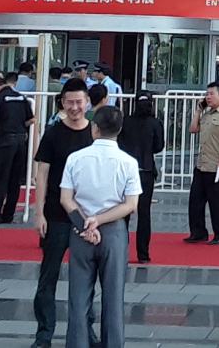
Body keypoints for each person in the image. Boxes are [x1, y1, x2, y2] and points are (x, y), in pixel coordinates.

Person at [60, 106, 142, 348]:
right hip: (114, 231)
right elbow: (131, 205)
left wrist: (86, 224)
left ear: (94, 128)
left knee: (78, 299)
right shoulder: (128, 162)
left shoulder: (75, 158)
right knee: (114, 298)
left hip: (80, 229)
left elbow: (66, 199)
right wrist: (100, 220)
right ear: (119, 129)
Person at [32, 79, 97, 348]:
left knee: (86, 278)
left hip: (87, 217)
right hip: (56, 215)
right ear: (62, 103)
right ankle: (44, 334)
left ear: (87, 102)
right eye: (69, 102)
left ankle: (86, 332)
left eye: (79, 102)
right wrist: (39, 213)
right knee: (48, 276)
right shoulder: (53, 133)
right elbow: (42, 174)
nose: (74, 107)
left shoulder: (95, 133)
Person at [186, 82, 219, 245]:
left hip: (218, 165)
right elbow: (193, 129)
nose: (208, 97)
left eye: (211, 94)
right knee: (195, 200)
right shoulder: (207, 113)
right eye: (206, 94)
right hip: (202, 163)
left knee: (217, 202)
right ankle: (198, 232)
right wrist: (198, 111)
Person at [0, 70, 35, 224]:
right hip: (20, 141)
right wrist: (20, 127)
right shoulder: (22, 98)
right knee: (14, 179)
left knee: (0, 177)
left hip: (5, 141)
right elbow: (31, 119)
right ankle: (8, 215)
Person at [117, 93, 166, 262]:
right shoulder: (155, 123)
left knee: (123, 212)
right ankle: (143, 254)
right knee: (144, 213)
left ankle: (120, 250)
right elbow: (159, 146)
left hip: (126, 170)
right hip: (146, 169)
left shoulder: (125, 122)